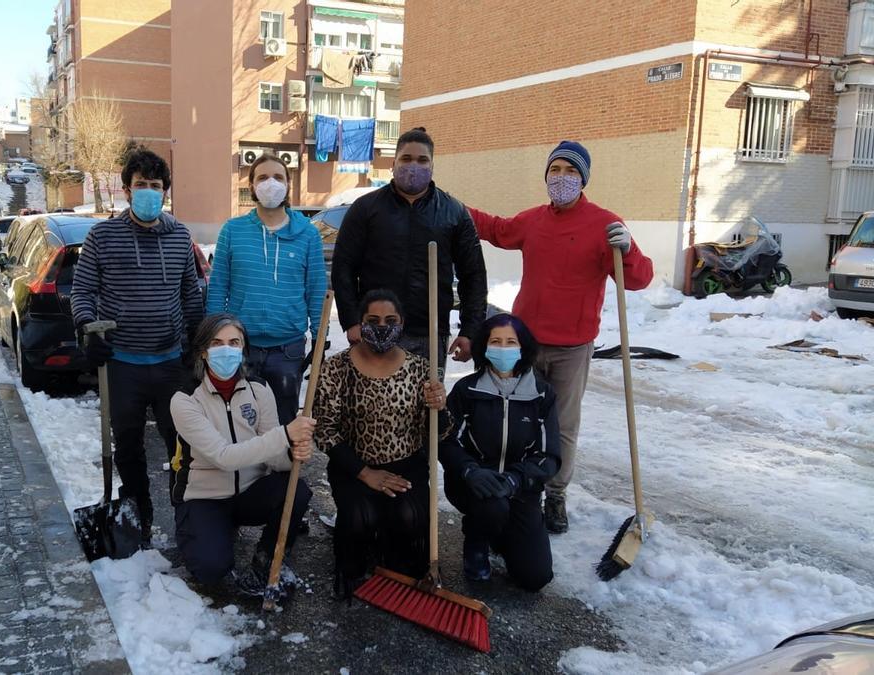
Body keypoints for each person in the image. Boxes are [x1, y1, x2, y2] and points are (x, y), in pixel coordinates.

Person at [468, 140, 654, 534]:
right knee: (520, 420)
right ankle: (524, 488)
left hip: (572, 347)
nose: (562, 178)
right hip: (527, 345)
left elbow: (637, 279)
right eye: (556, 170)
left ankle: (555, 496)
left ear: (583, 178)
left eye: (571, 171)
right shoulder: (534, 220)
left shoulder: (604, 224)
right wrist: (455, 208)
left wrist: (629, 250)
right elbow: (497, 230)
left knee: (563, 425)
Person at [70, 149, 204, 540]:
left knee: (181, 446)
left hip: (170, 364)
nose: (148, 192)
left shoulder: (180, 236)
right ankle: (138, 517)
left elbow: (190, 295)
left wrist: (196, 346)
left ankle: (187, 517)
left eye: (156, 187)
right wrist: (87, 330)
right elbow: (82, 291)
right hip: (122, 365)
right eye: (141, 185)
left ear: (165, 193)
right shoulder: (102, 236)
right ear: (127, 190)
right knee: (128, 448)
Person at [312, 289, 449, 598]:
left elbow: (436, 434)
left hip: (407, 466)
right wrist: (364, 473)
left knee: (409, 518)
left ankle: (396, 556)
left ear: (402, 324)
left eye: (391, 320)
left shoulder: (421, 370)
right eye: (373, 320)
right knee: (362, 519)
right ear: (361, 324)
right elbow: (325, 431)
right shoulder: (336, 369)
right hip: (353, 465)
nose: (382, 326)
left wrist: (438, 408)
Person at [169, 314, 315, 596]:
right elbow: (223, 456)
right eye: (217, 343)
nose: (227, 349)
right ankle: (195, 531)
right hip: (205, 498)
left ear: (244, 348)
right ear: (203, 351)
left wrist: (295, 453)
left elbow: (274, 457)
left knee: (295, 489)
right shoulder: (185, 399)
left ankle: (267, 557)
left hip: (249, 492)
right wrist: (285, 435)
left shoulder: (258, 389)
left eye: (234, 342)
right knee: (211, 570)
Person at [331, 127, 487, 368]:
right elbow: (344, 267)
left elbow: (473, 275)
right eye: (406, 159)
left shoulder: (454, 213)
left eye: (422, 160)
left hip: (429, 332)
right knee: (375, 403)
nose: (414, 166)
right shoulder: (365, 209)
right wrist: (351, 320)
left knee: (426, 402)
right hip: (376, 328)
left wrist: (470, 330)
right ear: (393, 163)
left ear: (432, 165)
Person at [440, 313, 561, 591]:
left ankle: (505, 535)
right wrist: (469, 470)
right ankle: (477, 540)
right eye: (496, 341)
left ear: (523, 347)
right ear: (484, 346)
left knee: (534, 577)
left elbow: (549, 454)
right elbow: (446, 440)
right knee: (492, 507)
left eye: (510, 342)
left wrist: (516, 479)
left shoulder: (542, 395)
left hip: (521, 490)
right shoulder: (466, 390)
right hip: (474, 487)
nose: (503, 348)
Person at [206, 152, 327, 424]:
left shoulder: (307, 234)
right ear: (251, 186)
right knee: (241, 421)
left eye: (278, 177)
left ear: (287, 185)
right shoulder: (233, 231)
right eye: (262, 177)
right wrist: (213, 337)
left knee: (283, 423)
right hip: (240, 348)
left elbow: (316, 291)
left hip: (288, 350)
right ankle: (247, 468)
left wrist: (321, 339)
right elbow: (218, 288)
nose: (270, 183)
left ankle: (280, 469)